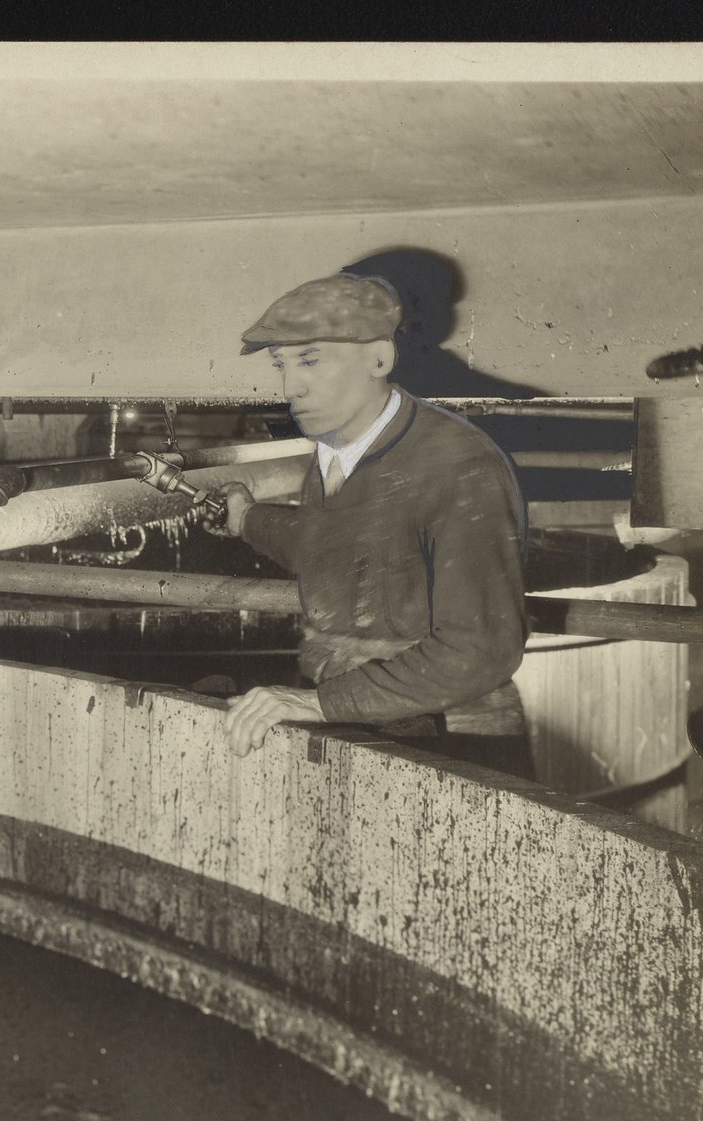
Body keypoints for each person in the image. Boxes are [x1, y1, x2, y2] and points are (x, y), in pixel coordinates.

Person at [212, 274, 535, 775]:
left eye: (310, 360)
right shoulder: (337, 450)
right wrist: (248, 518)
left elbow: (479, 649)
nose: (291, 387)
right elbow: (335, 546)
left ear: (379, 359)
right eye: (281, 364)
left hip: (451, 739)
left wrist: (319, 704)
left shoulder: (459, 465)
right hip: (359, 713)